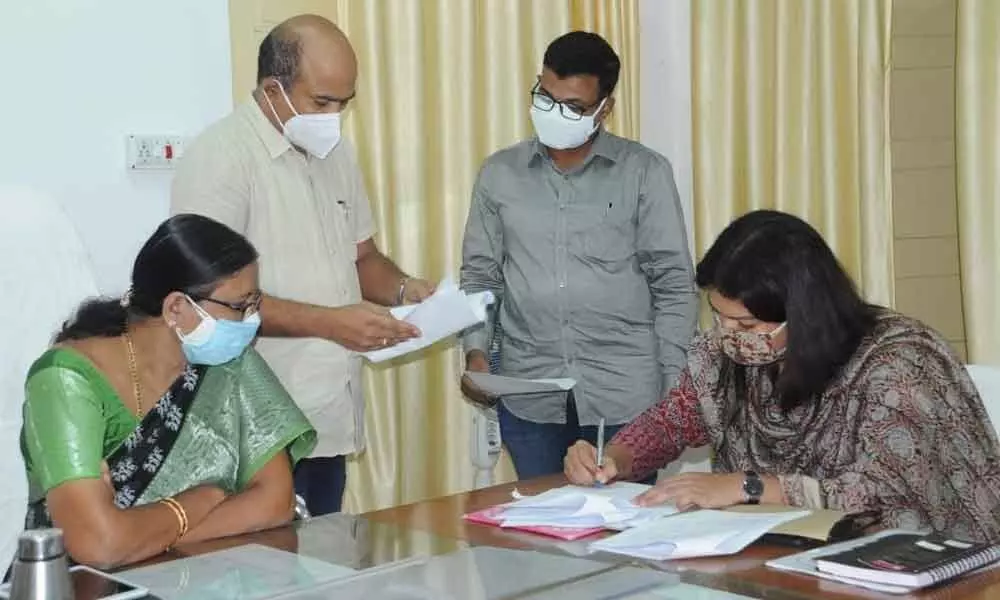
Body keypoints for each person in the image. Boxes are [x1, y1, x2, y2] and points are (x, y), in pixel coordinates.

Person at [564, 209, 1000, 540]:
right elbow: (673, 420)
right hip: (783, 552)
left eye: (746, 326)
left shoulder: (897, 364)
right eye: (719, 318)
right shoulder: (727, 355)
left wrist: (748, 487)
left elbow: (885, 494)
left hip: (916, 566)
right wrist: (616, 458)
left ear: (802, 314)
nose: (728, 336)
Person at [171, 15, 434, 515]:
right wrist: (333, 324)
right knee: (256, 581)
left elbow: (363, 257)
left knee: (323, 570)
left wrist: (405, 291)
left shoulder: (335, 152)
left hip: (326, 419)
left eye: (344, 103)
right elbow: (206, 302)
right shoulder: (220, 159)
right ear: (273, 89)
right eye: (322, 102)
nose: (334, 116)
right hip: (252, 427)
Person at [460, 31, 697, 480]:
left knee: (619, 534)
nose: (555, 114)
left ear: (605, 107)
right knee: (537, 530)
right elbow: (480, 276)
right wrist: (476, 355)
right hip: (529, 393)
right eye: (546, 98)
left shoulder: (644, 172)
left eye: (573, 107)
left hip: (624, 396)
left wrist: (673, 390)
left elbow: (672, 284)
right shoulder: (499, 174)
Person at [19, 214, 316, 568]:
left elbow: (276, 501)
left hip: (207, 576)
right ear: (177, 308)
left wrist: (138, 535)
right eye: (241, 306)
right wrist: (203, 498)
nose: (252, 321)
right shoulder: (65, 381)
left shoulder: (230, 363)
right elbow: (97, 545)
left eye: (255, 304)